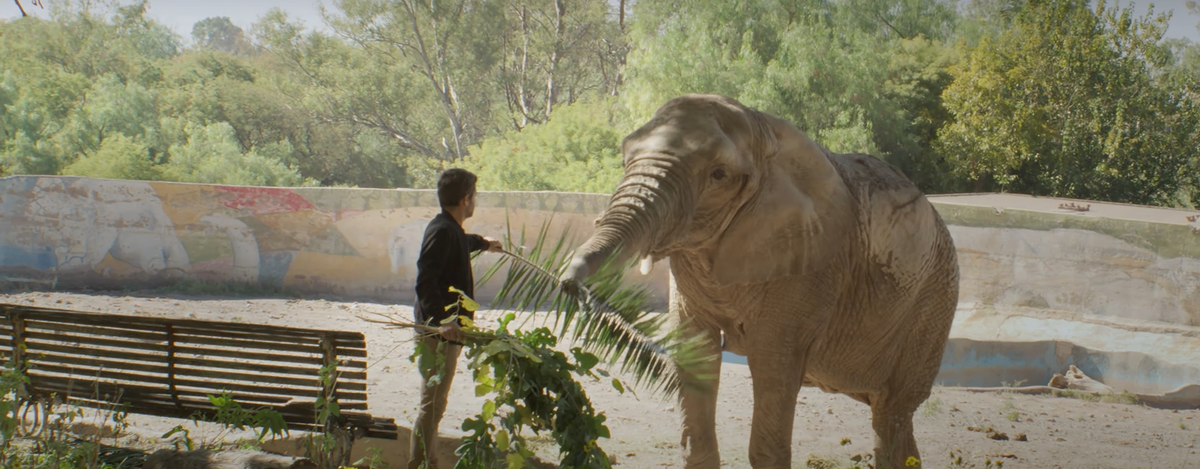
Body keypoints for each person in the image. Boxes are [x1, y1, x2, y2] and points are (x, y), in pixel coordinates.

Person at [408, 168, 502, 469]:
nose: (475, 201)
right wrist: (442, 321)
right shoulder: (442, 231)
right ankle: (422, 464)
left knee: (436, 404)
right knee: (432, 405)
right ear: (466, 199)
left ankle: (426, 461)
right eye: (474, 196)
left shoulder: (450, 229)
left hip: (447, 331)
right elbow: (425, 279)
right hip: (439, 333)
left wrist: (484, 243)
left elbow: (461, 242)